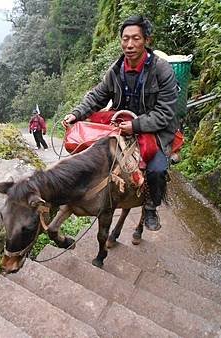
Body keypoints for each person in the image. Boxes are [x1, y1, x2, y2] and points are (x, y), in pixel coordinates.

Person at [63, 15, 179, 231]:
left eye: (136, 38)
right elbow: (97, 96)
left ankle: (151, 206)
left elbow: (166, 112)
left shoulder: (162, 71)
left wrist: (136, 126)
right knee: (90, 154)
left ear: (147, 40)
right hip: (121, 124)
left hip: (155, 129)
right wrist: (76, 114)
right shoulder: (116, 70)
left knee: (156, 170)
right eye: (125, 39)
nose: (129, 44)